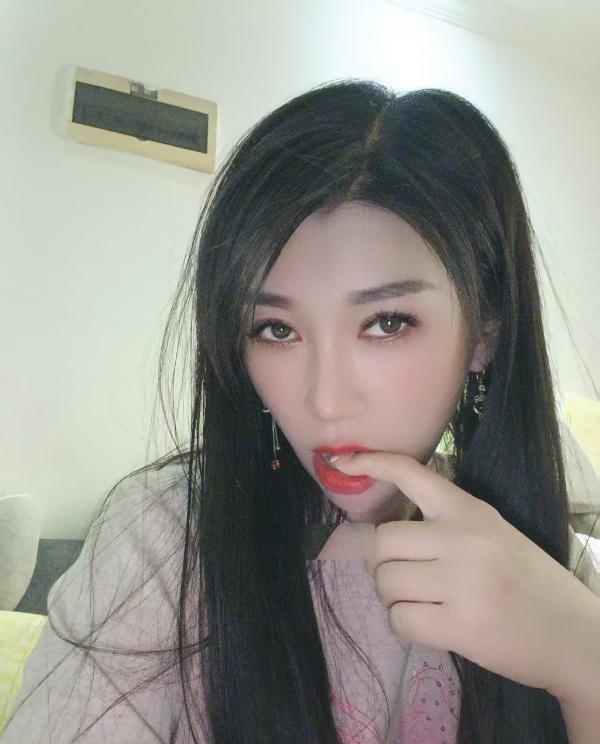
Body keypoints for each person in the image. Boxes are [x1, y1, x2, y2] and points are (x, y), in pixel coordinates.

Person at [2, 79, 599, 744]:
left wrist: (584, 661)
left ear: (484, 332)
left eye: (386, 322)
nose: (326, 401)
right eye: (277, 330)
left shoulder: (552, 568)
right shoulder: (167, 541)